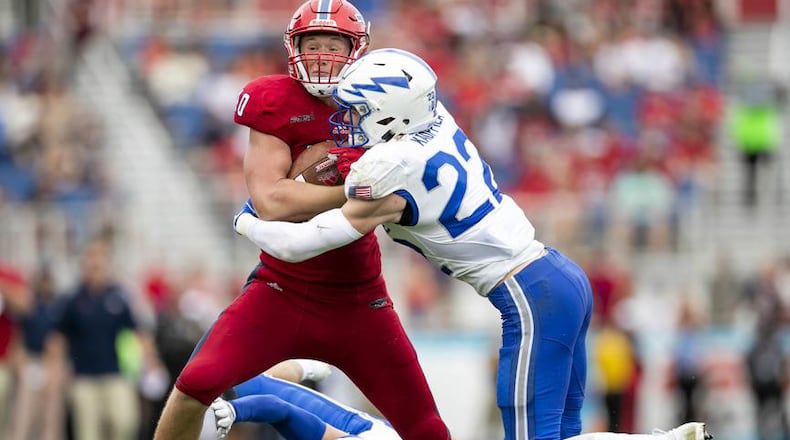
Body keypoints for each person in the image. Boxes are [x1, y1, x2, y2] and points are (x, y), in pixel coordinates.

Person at [232, 48, 712, 440]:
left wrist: (248, 221)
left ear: (389, 113)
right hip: (558, 273)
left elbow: (301, 244)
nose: (350, 121)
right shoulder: (435, 120)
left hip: (529, 297)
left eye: (360, 111)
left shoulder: (391, 168)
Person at [153, 2, 449, 440]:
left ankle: (294, 370)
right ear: (294, 47)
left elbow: (412, 182)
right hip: (280, 288)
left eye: (334, 44)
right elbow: (272, 200)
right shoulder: (273, 99)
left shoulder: (380, 104)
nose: (324, 54)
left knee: (426, 427)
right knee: (194, 384)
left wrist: (323, 193)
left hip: (359, 298)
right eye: (314, 43)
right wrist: (352, 193)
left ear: (357, 50)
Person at [212, 359, 709, 440]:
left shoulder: (245, 387)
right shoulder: (246, 377)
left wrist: (234, 412)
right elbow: (280, 379)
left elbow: (279, 408)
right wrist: (317, 366)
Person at [47, 238, 161, 440]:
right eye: (91, 259)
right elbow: (58, 336)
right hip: (83, 377)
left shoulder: (118, 296)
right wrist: (57, 369)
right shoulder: (73, 298)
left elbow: (138, 331)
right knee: (88, 432)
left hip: (115, 373)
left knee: (124, 422)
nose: (95, 264)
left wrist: (150, 360)